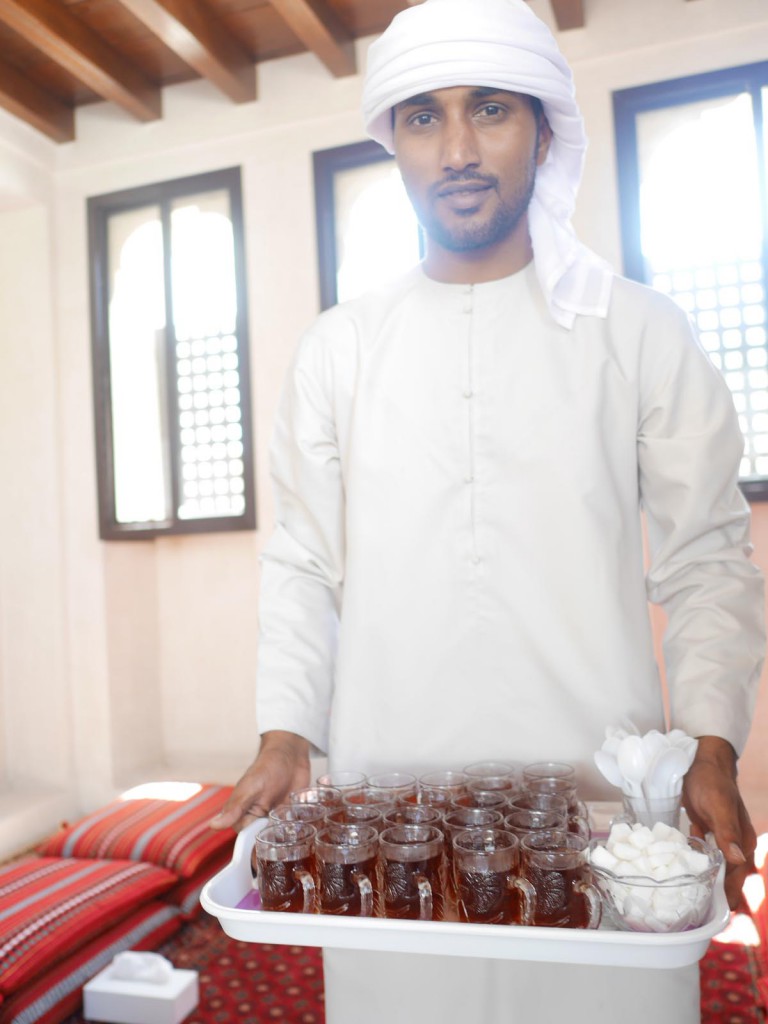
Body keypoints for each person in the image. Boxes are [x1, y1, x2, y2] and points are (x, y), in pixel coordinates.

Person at [211, 0, 764, 1020]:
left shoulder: (639, 331)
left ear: (544, 129)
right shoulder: (341, 348)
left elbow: (705, 559)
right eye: (424, 117)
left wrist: (712, 745)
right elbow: (301, 560)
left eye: (491, 110)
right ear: (396, 142)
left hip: (603, 811)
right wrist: (286, 729)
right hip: (391, 823)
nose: (457, 148)